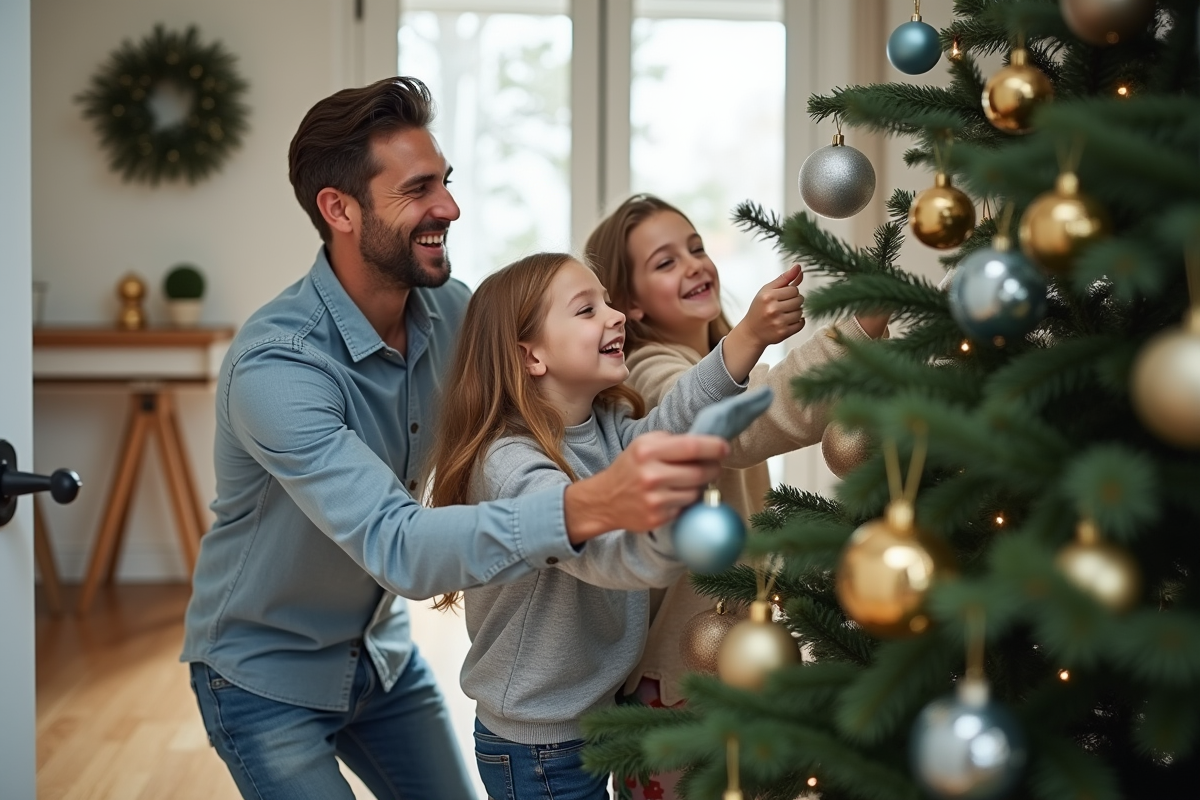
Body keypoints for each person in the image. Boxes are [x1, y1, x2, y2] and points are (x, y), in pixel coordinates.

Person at [180, 79, 729, 800]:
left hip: (378, 655)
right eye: (418, 189)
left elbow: (547, 396)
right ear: (339, 209)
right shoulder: (278, 369)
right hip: (263, 673)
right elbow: (402, 547)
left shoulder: (452, 310)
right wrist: (586, 505)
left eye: (445, 182)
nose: (449, 207)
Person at [425, 250, 804, 800]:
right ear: (531, 356)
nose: (615, 315)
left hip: (595, 715)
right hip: (538, 741)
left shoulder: (604, 428)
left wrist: (749, 336)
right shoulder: (511, 465)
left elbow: (672, 421)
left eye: (608, 301)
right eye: (587, 310)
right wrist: (688, 529)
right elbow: (607, 553)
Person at [585, 194, 889, 800]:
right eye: (665, 262)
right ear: (632, 303)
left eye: (696, 247)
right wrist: (845, 337)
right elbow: (734, 426)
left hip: (738, 649)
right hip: (677, 674)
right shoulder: (647, 373)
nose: (694, 265)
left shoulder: (714, 364)